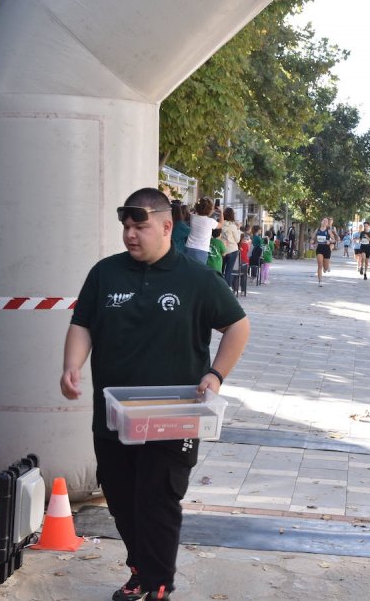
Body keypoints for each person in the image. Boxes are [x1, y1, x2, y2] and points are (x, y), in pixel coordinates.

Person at [60, 188, 250, 601]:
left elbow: (238, 326)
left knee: (157, 499)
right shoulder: (104, 273)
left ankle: (157, 584)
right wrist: (71, 366)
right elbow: (83, 324)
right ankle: (141, 570)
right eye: (126, 226)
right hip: (114, 416)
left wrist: (216, 375)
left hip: (175, 415)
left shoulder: (197, 279)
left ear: (167, 226)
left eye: (139, 226)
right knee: (122, 500)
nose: (130, 234)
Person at [184, 198, 217, 265]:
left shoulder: (192, 217)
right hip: (202, 250)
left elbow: (189, 212)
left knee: (188, 270)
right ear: (210, 210)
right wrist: (221, 212)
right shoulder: (210, 221)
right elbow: (221, 224)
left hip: (189, 247)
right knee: (199, 272)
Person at [220, 208, 240, 287]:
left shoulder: (220, 224)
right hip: (232, 250)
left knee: (221, 270)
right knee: (229, 270)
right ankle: (227, 288)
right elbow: (237, 240)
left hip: (222, 249)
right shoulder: (233, 226)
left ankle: (220, 286)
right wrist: (238, 229)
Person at [312, 218, 332, 286]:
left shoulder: (328, 231)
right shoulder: (317, 230)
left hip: (326, 249)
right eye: (323, 220)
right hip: (319, 248)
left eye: (326, 221)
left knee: (325, 268)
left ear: (327, 224)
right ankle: (320, 281)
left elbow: (334, 240)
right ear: (321, 222)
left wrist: (329, 241)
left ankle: (326, 267)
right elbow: (312, 239)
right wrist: (312, 243)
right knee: (319, 265)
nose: (324, 222)